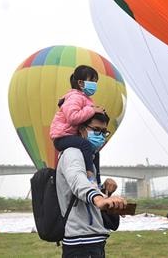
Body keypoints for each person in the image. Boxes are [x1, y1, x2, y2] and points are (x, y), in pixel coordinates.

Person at [56, 112, 126, 257]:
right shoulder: (72, 153)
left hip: (92, 240)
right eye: (96, 130)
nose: (100, 135)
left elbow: (86, 187)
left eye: (103, 132)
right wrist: (99, 198)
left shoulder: (88, 158)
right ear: (81, 129)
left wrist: (104, 191)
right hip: (81, 242)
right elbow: (77, 180)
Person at [50, 65, 106, 182]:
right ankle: (90, 175)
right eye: (92, 81)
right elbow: (72, 118)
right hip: (62, 137)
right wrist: (92, 110)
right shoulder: (75, 97)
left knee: (94, 151)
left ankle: (98, 182)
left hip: (70, 136)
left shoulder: (84, 98)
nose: (95, 85)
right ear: (81, 83)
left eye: (96, 82)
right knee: (86, 145)